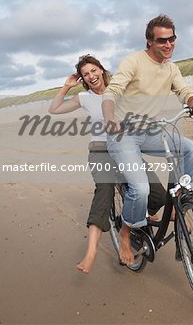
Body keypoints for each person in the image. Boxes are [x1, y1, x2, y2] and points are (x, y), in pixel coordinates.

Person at [102, 15, 193, 266]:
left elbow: (183, 90)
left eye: (172, 39)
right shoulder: (134, 61)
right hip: (123, 133)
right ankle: (126, 234)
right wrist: (109, 115)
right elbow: (112, 91)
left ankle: (179, 200)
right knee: (141, 189)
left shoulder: (171, 68)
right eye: (162, 40)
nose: (168, 44)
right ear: (150, 41)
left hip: (151, 132)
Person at [48, 54, 166, 273]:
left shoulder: (119, 91)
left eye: (94, 71)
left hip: (124, 149)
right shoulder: (84, 98)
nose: (91, 76)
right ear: (83, 79)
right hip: (101, 151)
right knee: (104, 191)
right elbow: (54, 109)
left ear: (101, 70)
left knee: (158, 194)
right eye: (86, 74)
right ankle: (91, 252)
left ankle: (139, 216)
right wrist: (66, 87)